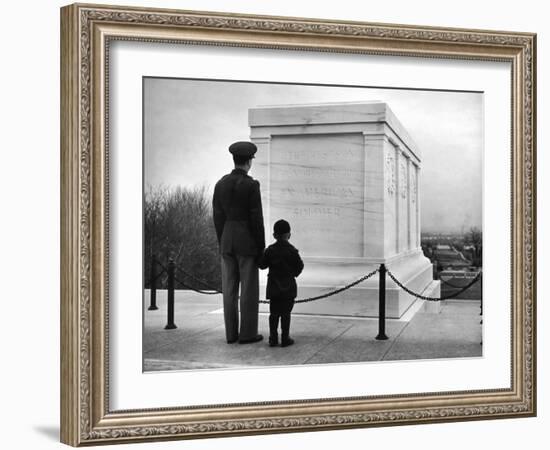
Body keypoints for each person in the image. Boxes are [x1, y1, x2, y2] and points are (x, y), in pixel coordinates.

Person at [212, 141, 265, 344]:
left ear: (234, 160)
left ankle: (231, 334)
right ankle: (248, 333)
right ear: (249, 162)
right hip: (246, 242)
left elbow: (217, 217)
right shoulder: (252, 185)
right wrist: (260, 247)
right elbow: (256, 219)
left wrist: (222, 241)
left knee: (229, 290)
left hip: (227, 240)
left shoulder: (220, 184)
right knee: (249, 290)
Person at [258, 219, 304, 347]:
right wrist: (293, 274)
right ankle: (285, 338)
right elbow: (299, 267)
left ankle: (273, 338)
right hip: (288, 287)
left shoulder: (270, 250)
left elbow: (261, 265)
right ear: (289, 235)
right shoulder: (293, 251)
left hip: (274, 287)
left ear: (274, 235)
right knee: (286, 314)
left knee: (273, 314)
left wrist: (260, 253)